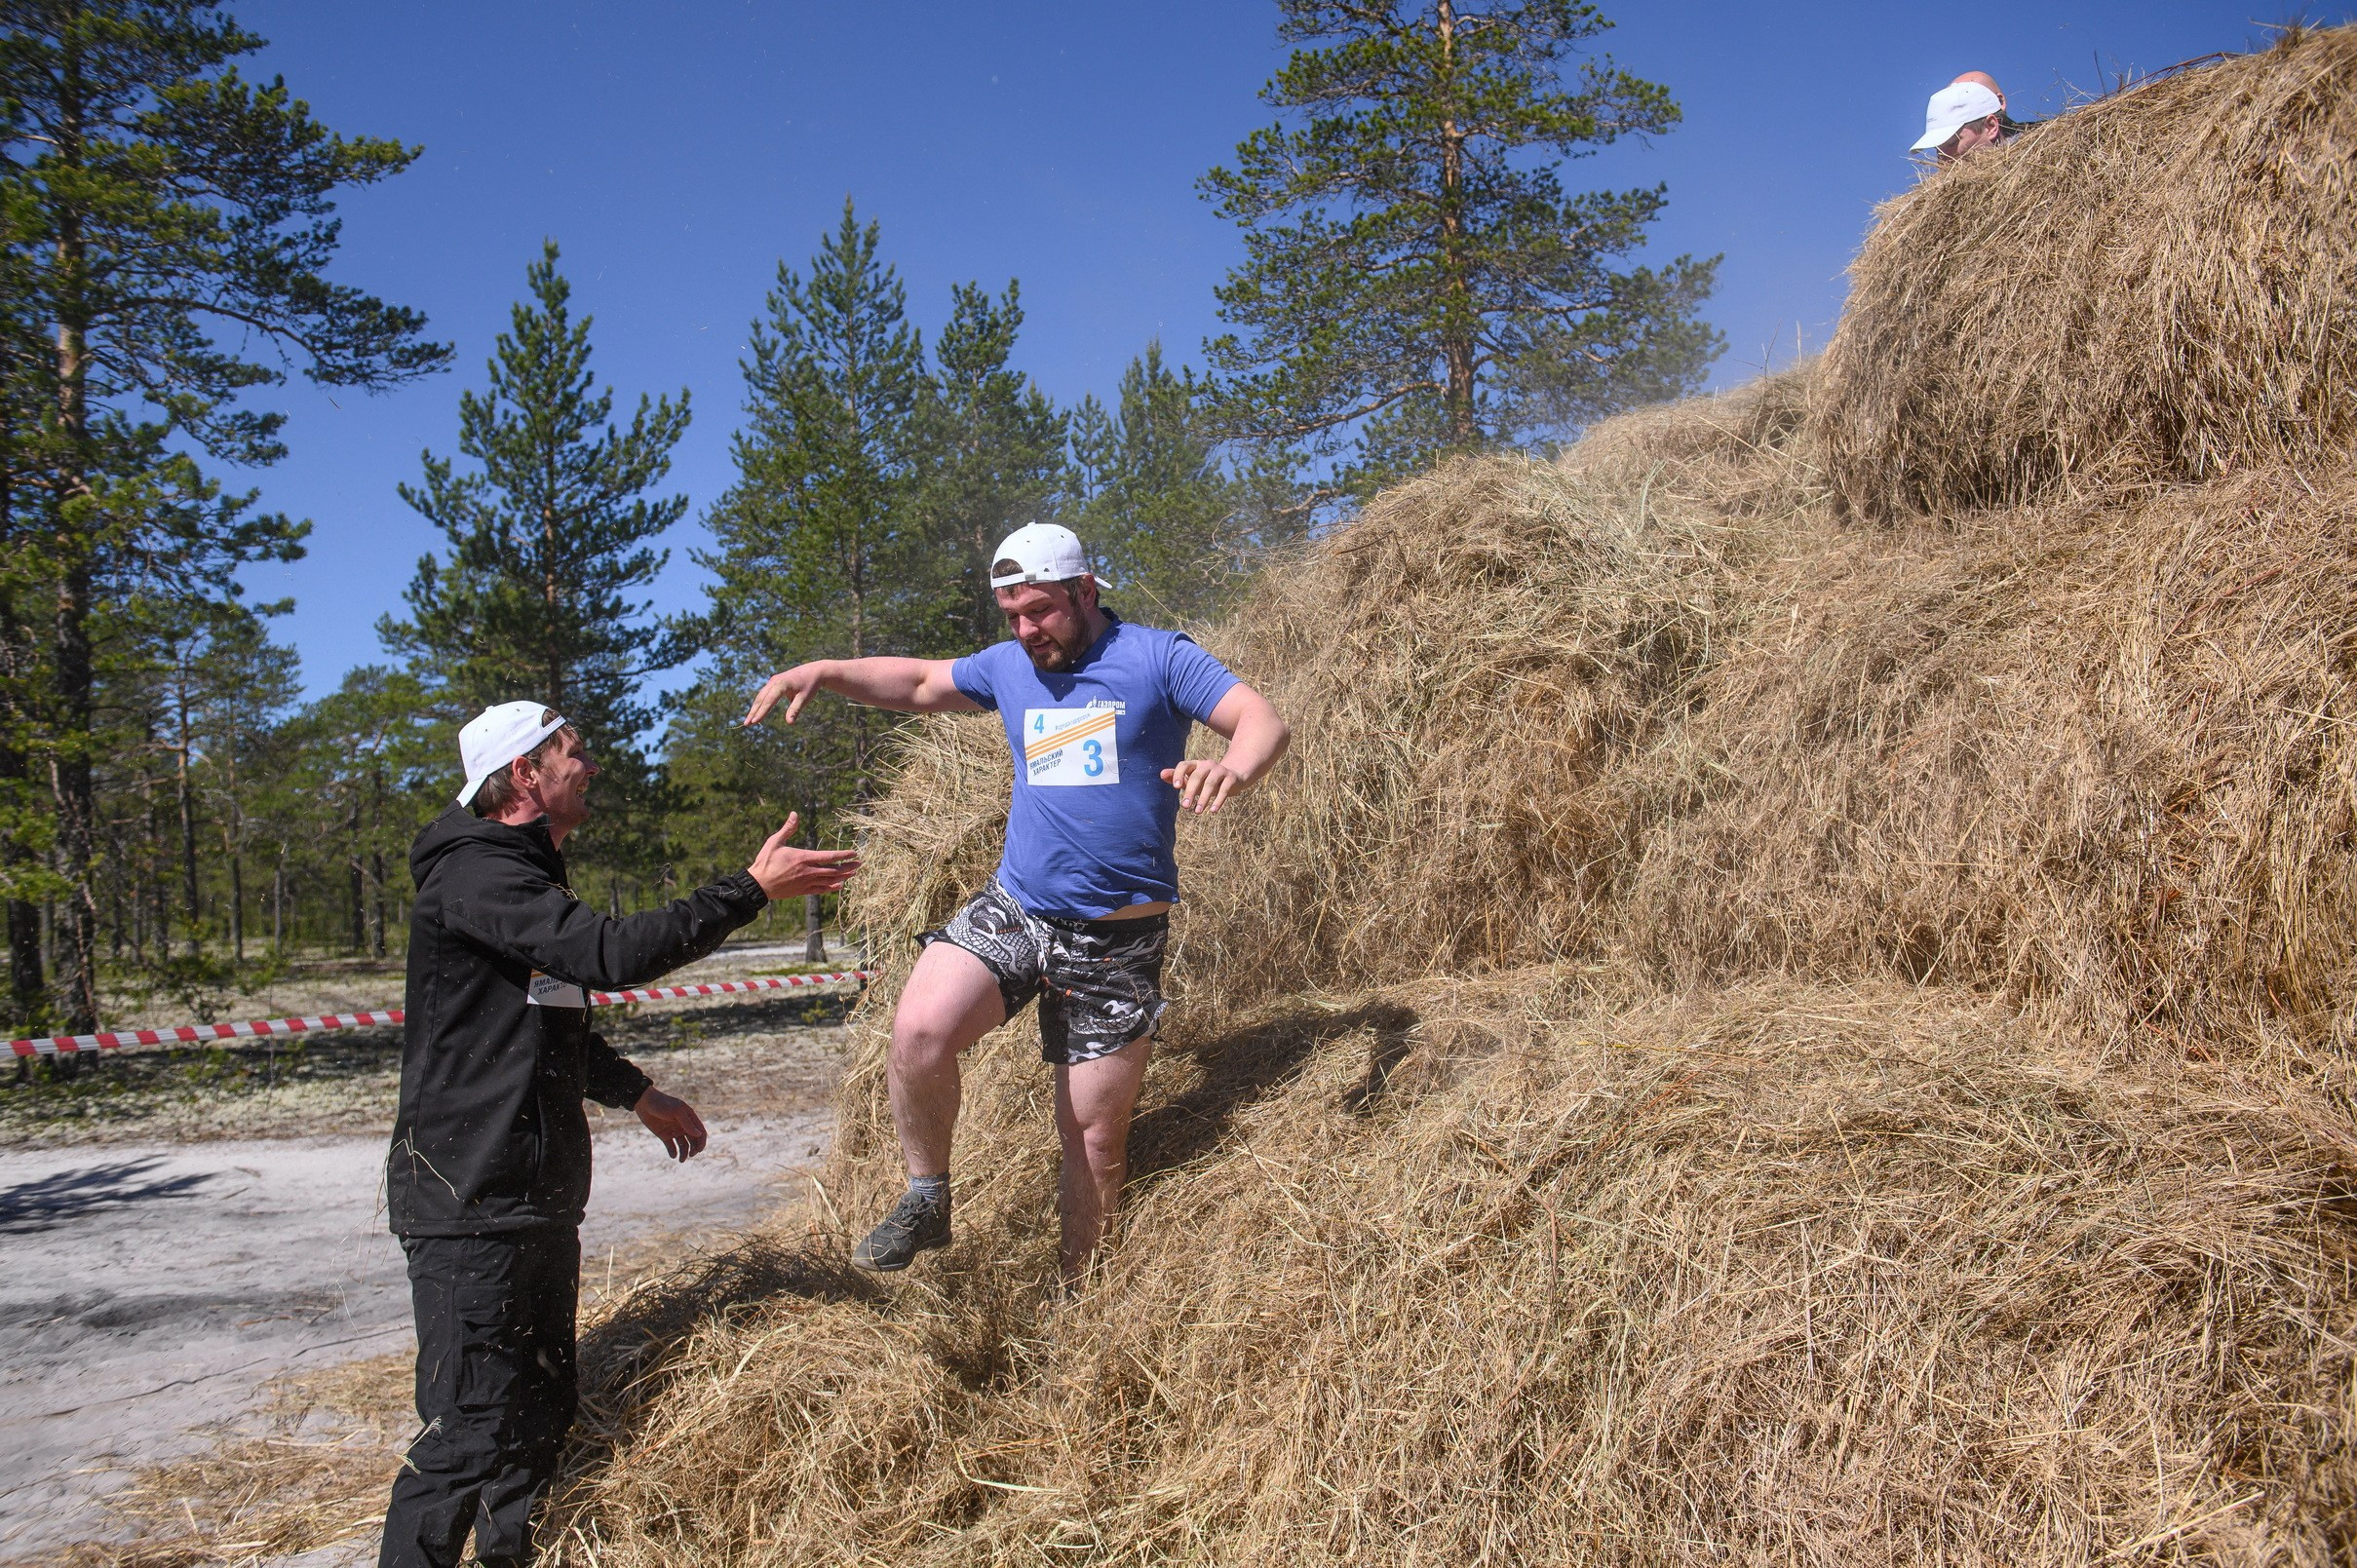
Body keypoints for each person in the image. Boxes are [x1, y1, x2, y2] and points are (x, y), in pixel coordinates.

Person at [743, 523, 1291, 1281]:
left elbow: (1262, 720)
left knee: (1094, 1145)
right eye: (1012, 617)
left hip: (1114, 943)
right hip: (1020, 906)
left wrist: (1233, 765)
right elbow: (919, 684)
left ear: (1086, 591)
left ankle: (1079, 1299)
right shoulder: (1008, 667)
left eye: (1041, 611)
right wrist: (826, 671)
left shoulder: (1159, 656)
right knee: (919, 1029)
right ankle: (927, 1196)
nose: (1028, 631)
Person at [379, 701, 857, 1568]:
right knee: (468, 1426)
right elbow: (610, 955)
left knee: (537, 1410)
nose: (589, 766)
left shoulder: (520, 878)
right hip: (468, 1199)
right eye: (574, 753)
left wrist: (635, 1092)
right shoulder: (477, 876)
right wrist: (748, 890)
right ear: (525, 774)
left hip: (528, 1195)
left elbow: (546, 1016)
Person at [1913, 75, 2011, 164]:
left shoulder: (2025, 168)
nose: (1942, 161)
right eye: (1937, 149)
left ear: (1991, 127)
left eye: (1952, 143)